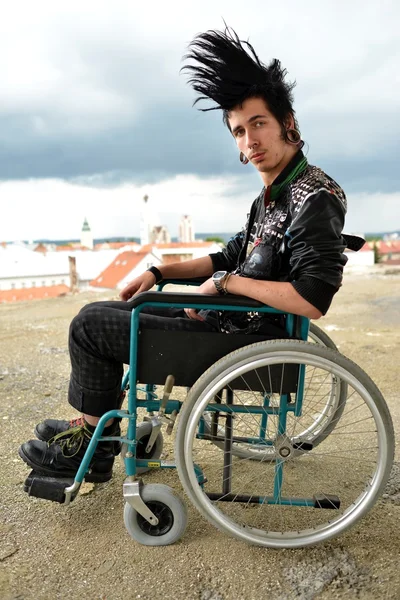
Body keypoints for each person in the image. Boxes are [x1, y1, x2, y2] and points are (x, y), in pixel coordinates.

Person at [19, 27, 348, 483]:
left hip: (242, 341)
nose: (249, 140)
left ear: (287, 122)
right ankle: (98, 427)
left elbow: (312, 297)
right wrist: (158, 272)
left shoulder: (314, 195)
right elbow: (228, 255)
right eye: (238, 131)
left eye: (258, 124)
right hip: (226, 322)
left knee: (89, 326)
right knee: (120, 307)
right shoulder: (274, 194)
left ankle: (91, 449)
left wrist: (228, 284)